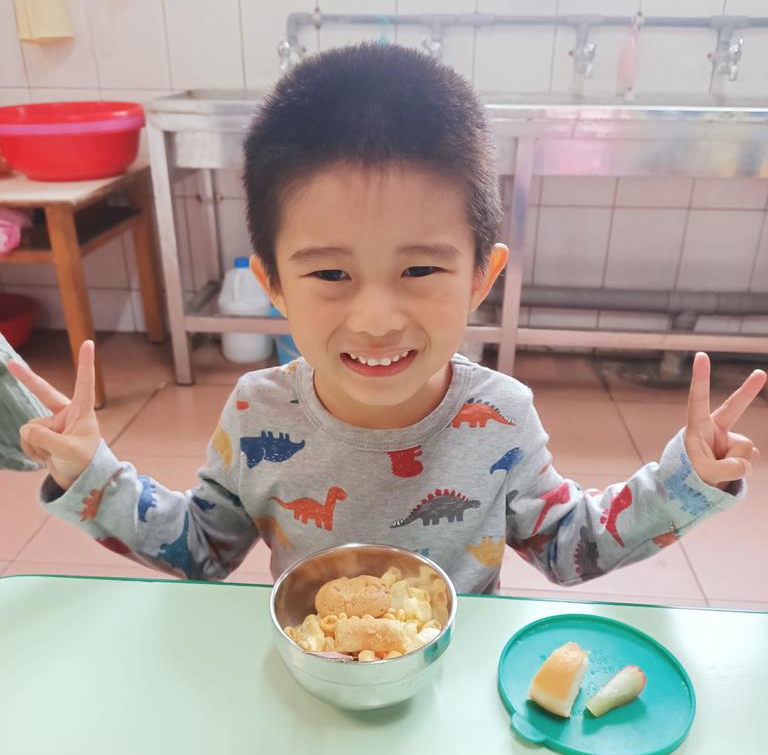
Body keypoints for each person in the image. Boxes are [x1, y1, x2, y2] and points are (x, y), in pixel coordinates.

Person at [9, 44, 765, 593]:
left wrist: (687, 478)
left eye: (420, 270)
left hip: (450, 683)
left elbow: (574, 548)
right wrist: (90, 472)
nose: (375, 319)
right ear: (273, 284)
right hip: (312, 678)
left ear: (481, 278)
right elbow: (200, 549)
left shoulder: (502, 416)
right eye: (330, 274)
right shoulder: (255, 414)